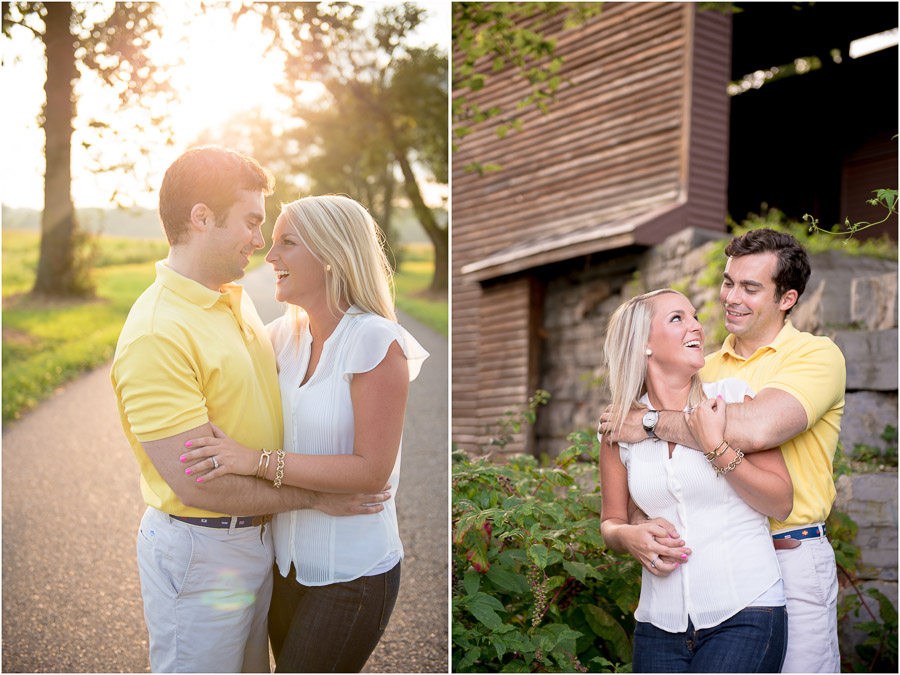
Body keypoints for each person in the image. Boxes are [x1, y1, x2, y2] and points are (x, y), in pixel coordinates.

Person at [111, 147, 389, 673]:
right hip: (202, 552)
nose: (260, 242)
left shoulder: (231, 300)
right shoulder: (157, 333)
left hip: (255, 544)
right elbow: (198, 484)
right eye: (253, 222)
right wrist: (313, 498)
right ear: (201, 217)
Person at [180, 194, 429, 673]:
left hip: (351, 575)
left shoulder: (376, 341)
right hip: (283, 567)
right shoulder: (283, 336)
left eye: (286, 243)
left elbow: (371, 472)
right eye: (271, 243)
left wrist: (255, 461)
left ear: (332, 256)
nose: (269, 257)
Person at [599, 228, 846, 673]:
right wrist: (634, 528)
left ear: (786, 299)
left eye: (751, 288)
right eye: (729, 281)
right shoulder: (701, 367)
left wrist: (651, 423)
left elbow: (755, 429)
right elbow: (652, 492)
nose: (731, 297)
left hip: (790, 554)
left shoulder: (815, 355)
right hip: (699, 572)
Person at [599, 288, 792, 672]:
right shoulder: (618, 426)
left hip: (746, 610)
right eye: (677, 318)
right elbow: (610, 521)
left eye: (694, 317)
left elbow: (780, 501)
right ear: (644, 345)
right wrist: (628, 536)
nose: (697, 327)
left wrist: (715, 446)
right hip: (658, 624)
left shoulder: (731, 400)